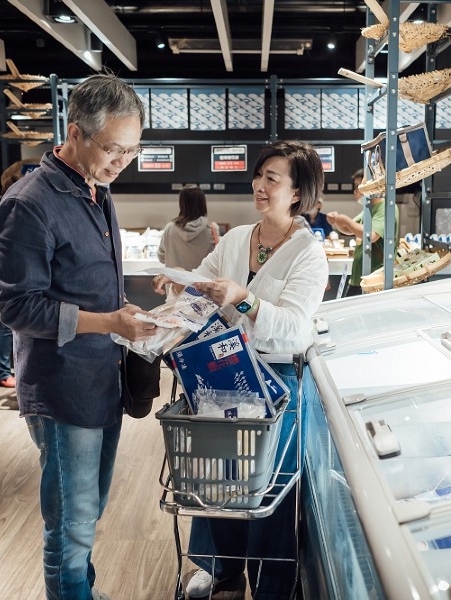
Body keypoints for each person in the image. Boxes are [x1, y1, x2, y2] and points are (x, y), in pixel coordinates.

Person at [0, 74, 159, 600]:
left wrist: (119, 311)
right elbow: (18, 306)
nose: (121, 162)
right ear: (75, 132)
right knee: (71, 518)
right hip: (62, 388)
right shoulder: (28, 203)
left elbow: (85, 287)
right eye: (113, 149)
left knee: (88, 508)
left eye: (132, 151)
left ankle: (79, 592)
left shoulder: (95, 189)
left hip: (100, 378)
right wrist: (110, 322)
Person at [152, 140, 329, 600]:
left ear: (298, 192)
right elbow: (202, 289)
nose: (260, 185)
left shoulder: (308, 254)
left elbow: (294, 330)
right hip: (216, 372)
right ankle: (220, 569)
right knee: (215, 474)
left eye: (273, 178)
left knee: (268, 483)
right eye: (259, 175)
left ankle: (272, 581)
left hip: (274, 382)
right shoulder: (234, 239)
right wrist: (178, 287)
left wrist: (243, 299)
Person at [0, 158, 40, 389]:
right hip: (13, 278)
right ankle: (1, 372)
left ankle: (5, 370)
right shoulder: (15, 205)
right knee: (8, 325)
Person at [326, 168, 399, 296]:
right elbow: (349, 230)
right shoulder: (368, 208)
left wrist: (346, 221)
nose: (356, 191)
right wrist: (337, 220)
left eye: (359, 186)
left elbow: (371, 235)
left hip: (375, 280)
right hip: (359, 277)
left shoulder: (386, 207)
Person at [157, 185, 218, 270]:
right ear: (202, 203)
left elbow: (162, 257)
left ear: (182, 204)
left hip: (175, 282)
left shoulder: (170, 228)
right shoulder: (212, 229)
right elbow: (217, 261)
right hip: (202, 282)